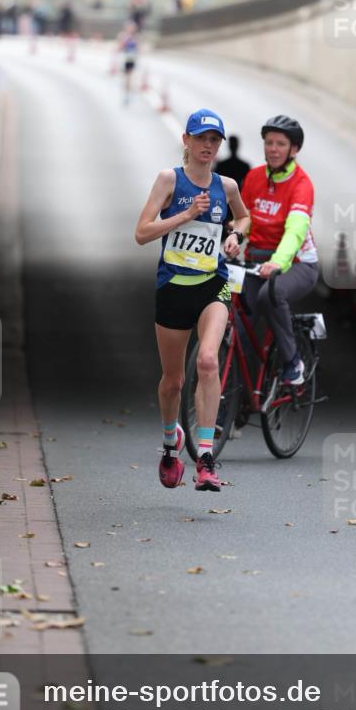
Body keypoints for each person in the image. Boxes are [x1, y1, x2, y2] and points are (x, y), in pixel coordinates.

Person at [135, 109, 250, 492]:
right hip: (173, 287)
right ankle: (171, 444)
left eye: (214, 140)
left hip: (211, 285)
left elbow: (244, 218)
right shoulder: (169, 179)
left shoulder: (227, 186)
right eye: (201, 138)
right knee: (173, 382)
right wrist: (185, 215)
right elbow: (142, 233)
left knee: (208, 361)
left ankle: (205, 458)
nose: (208, 145)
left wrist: (235, 235)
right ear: (186, 140)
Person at [241, 115, 318, 385]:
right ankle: (237, 398)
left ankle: (292, 361)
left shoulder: (301, 184)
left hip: (297, 264)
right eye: (269, 143)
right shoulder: (253, 177)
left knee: (270, 294)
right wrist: (234, 235)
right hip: (254, 261)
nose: (273, 149)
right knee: (235, 324)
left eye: (280, 144)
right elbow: (244, 218)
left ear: (293, 149)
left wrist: (277, 262)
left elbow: (295, 231)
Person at [117, 23, 139, 103]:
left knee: (130, 76)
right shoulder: (123, 36)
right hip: (125, 58)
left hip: (132, 59)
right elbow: (120, 47)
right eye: (130, 27)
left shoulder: (136, 37)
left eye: (132, 28)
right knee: (127, 77)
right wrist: (124, 43)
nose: (131, 29)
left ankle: (128, 93)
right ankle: (126, 92)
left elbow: (138, 48)